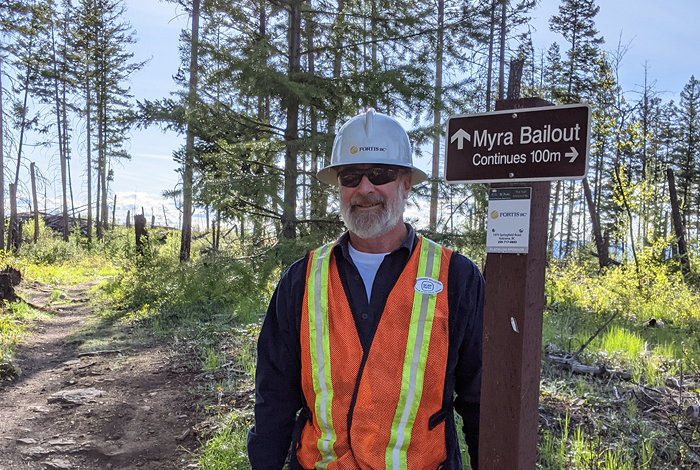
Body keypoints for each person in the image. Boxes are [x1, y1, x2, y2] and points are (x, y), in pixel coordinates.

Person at [247, 108, 484, 470]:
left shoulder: (457, 278)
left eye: (380, 173)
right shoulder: (301, 281)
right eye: (351, 176)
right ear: (339, 187)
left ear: (406, 183)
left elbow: (480, 402)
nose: (365, 187)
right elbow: (273, 400)